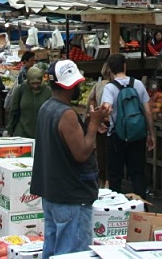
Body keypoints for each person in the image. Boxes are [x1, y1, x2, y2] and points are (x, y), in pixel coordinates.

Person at [30, 60, 110, 259]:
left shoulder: (46, 108)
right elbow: (81, 153)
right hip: (70, 196)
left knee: (52, 249)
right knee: (72, 253)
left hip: (52, 193)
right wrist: (93, 124)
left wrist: (90, 126)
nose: (78, 87)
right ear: (70, 86)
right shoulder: (66, 114)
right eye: (76, 84)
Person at [100, 52, 155, 196]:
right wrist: (151, 134)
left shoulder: (109, 88)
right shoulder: (138, 84)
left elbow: (106, 108)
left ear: (110, 69)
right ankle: (141, 209)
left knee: (115, 175)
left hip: (116, 136)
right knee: (138, 173)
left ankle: (115, 211)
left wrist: (100, 120)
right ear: (125, 66)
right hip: (138, 135)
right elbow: (148, 112)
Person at [7, 66, 52, 138]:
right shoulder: (21, 89)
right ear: (28, 80)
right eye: (32, 83)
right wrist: (10, 130)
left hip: (41, 134)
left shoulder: (47, 91)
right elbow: (13, 111)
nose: (35, 86)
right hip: (22, 133)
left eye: (38, 83)